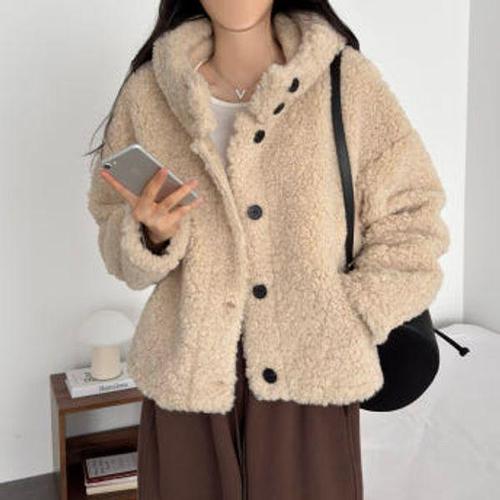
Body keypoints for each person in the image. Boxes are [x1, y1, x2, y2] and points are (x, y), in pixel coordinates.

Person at [86, 1, 450, 499]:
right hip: (189, 378)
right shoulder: (149, 92)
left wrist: (352, 312)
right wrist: (151, 236)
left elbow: (415, 215)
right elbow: (112, 228)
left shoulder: (345, 80)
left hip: (310, 376)